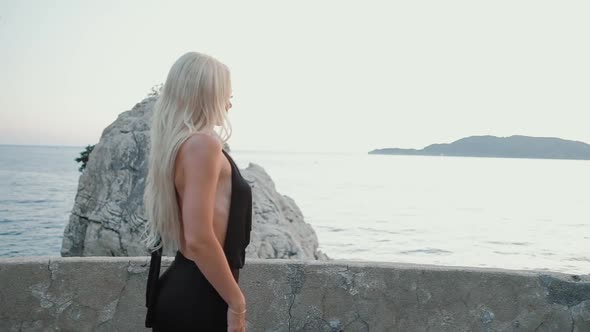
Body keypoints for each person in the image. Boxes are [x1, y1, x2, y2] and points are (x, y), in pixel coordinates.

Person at [141, 51, 253, 331]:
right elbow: (199, 239)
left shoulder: (182, 146)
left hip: (190, 290)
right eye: (227, 93)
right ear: (208, 93)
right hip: (200, 299)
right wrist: (237, 305)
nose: (229, 103)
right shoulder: (203, 145)